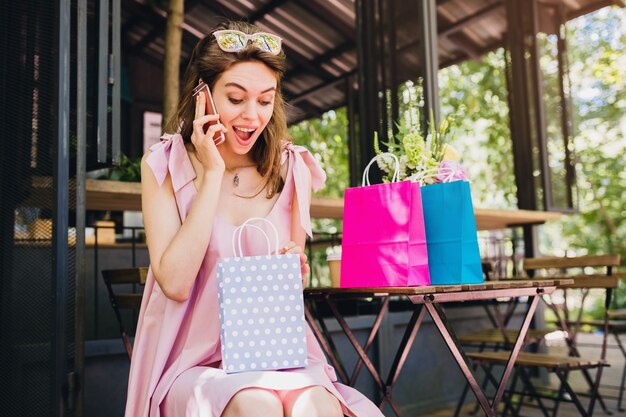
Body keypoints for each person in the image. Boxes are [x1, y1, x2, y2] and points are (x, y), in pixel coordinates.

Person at [125, 20, 385, 417]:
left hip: (276, 357)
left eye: (265, 101)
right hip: (193, 365)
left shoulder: (291, 166)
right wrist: (211, 174)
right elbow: (175, 283)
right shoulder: (163, 164)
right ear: (203, 95)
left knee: (318, 405)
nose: (251, 116)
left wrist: (293, 266)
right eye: (235, 98)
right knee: (254, 404)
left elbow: (290, 288)